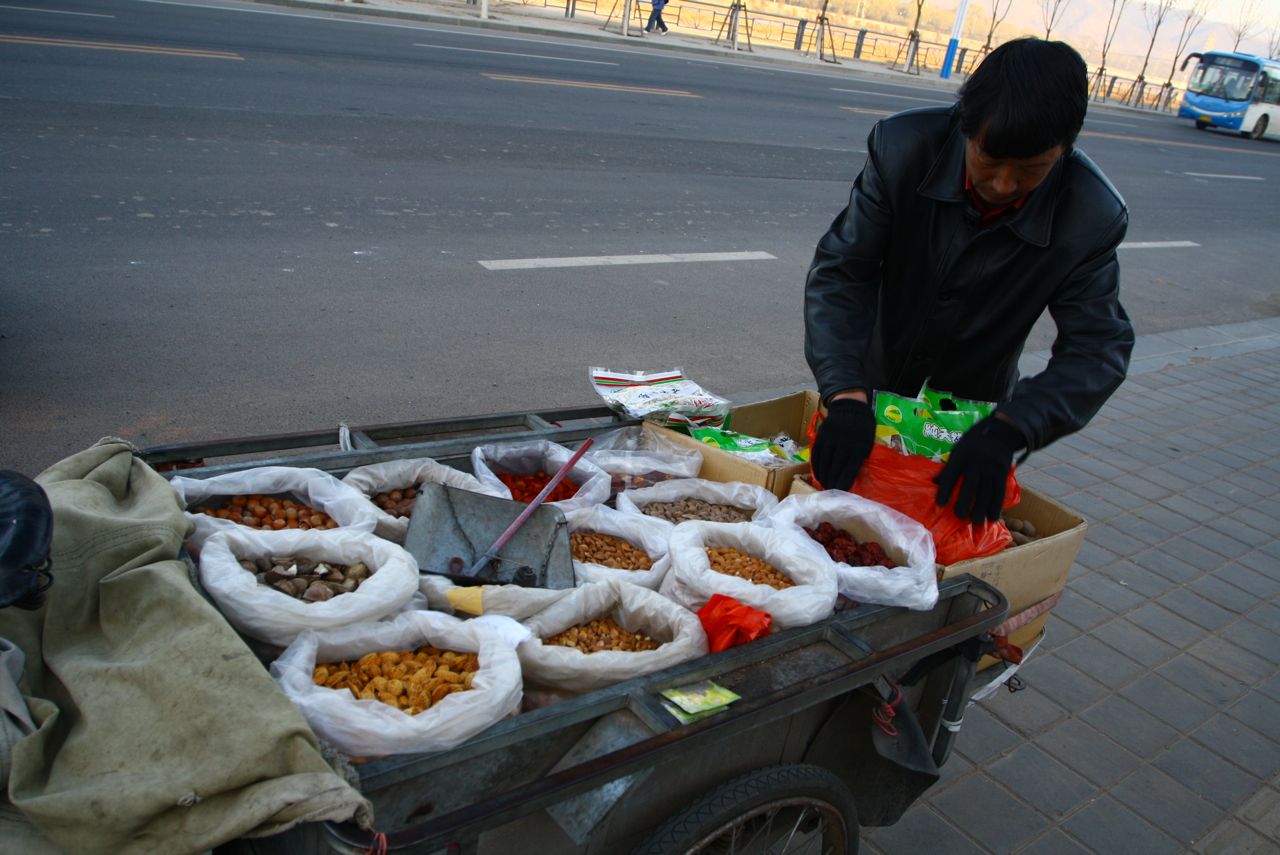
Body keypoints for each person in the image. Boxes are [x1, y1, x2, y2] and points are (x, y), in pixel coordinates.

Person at [804, 38, 1134, 524]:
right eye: (989, 159)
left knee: (937, 538)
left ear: (1064, 151)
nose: (1003, 184)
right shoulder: (904, 150)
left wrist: (1012, 427)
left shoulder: (1091, 216)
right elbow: (842, 272)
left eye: (1032, 170)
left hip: (968, 420)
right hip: (868, 389)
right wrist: (846, 393)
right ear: (964, 125)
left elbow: (1097, 349)